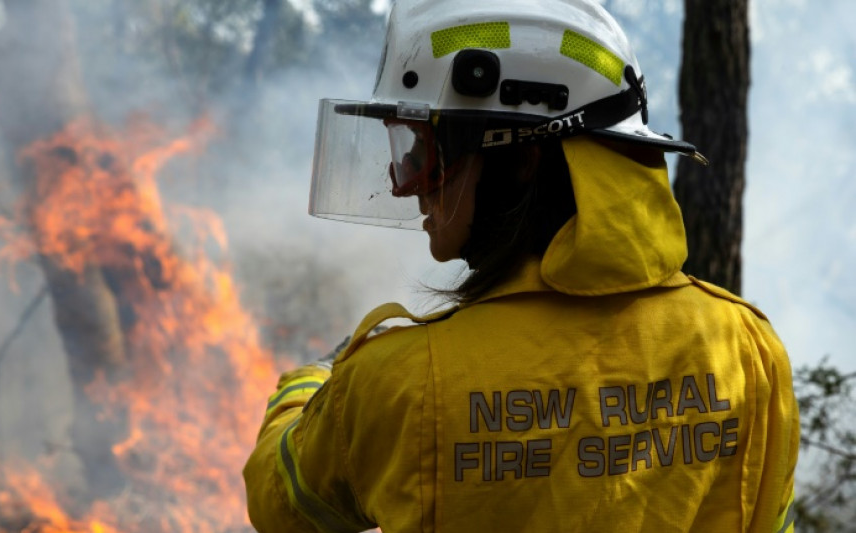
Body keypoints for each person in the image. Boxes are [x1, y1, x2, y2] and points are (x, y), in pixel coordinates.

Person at [243, 0, 799, 531]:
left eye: (427, 151)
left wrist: (309, 385)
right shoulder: (746, 347)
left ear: (522, 160)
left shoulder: (399, 381)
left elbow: (281, 503)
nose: (406, 182)